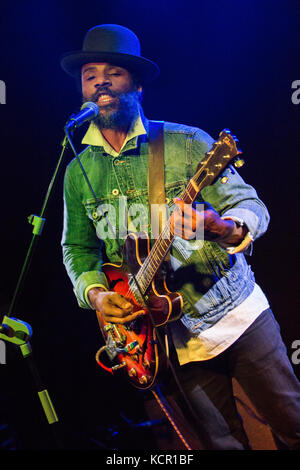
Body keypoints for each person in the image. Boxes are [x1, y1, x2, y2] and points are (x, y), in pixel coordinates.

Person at [60, 24, 300, 450]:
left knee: (292, 427)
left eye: (112, 71)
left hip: (237, 317)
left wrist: (220, 226)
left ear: (136, 83)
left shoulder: (187, 143)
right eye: (89, 73)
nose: (99, 80)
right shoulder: (78, 172)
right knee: (221, 445)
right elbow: (77, 250)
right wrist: (96, 295)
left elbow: (251, 207)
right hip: (169, 344)